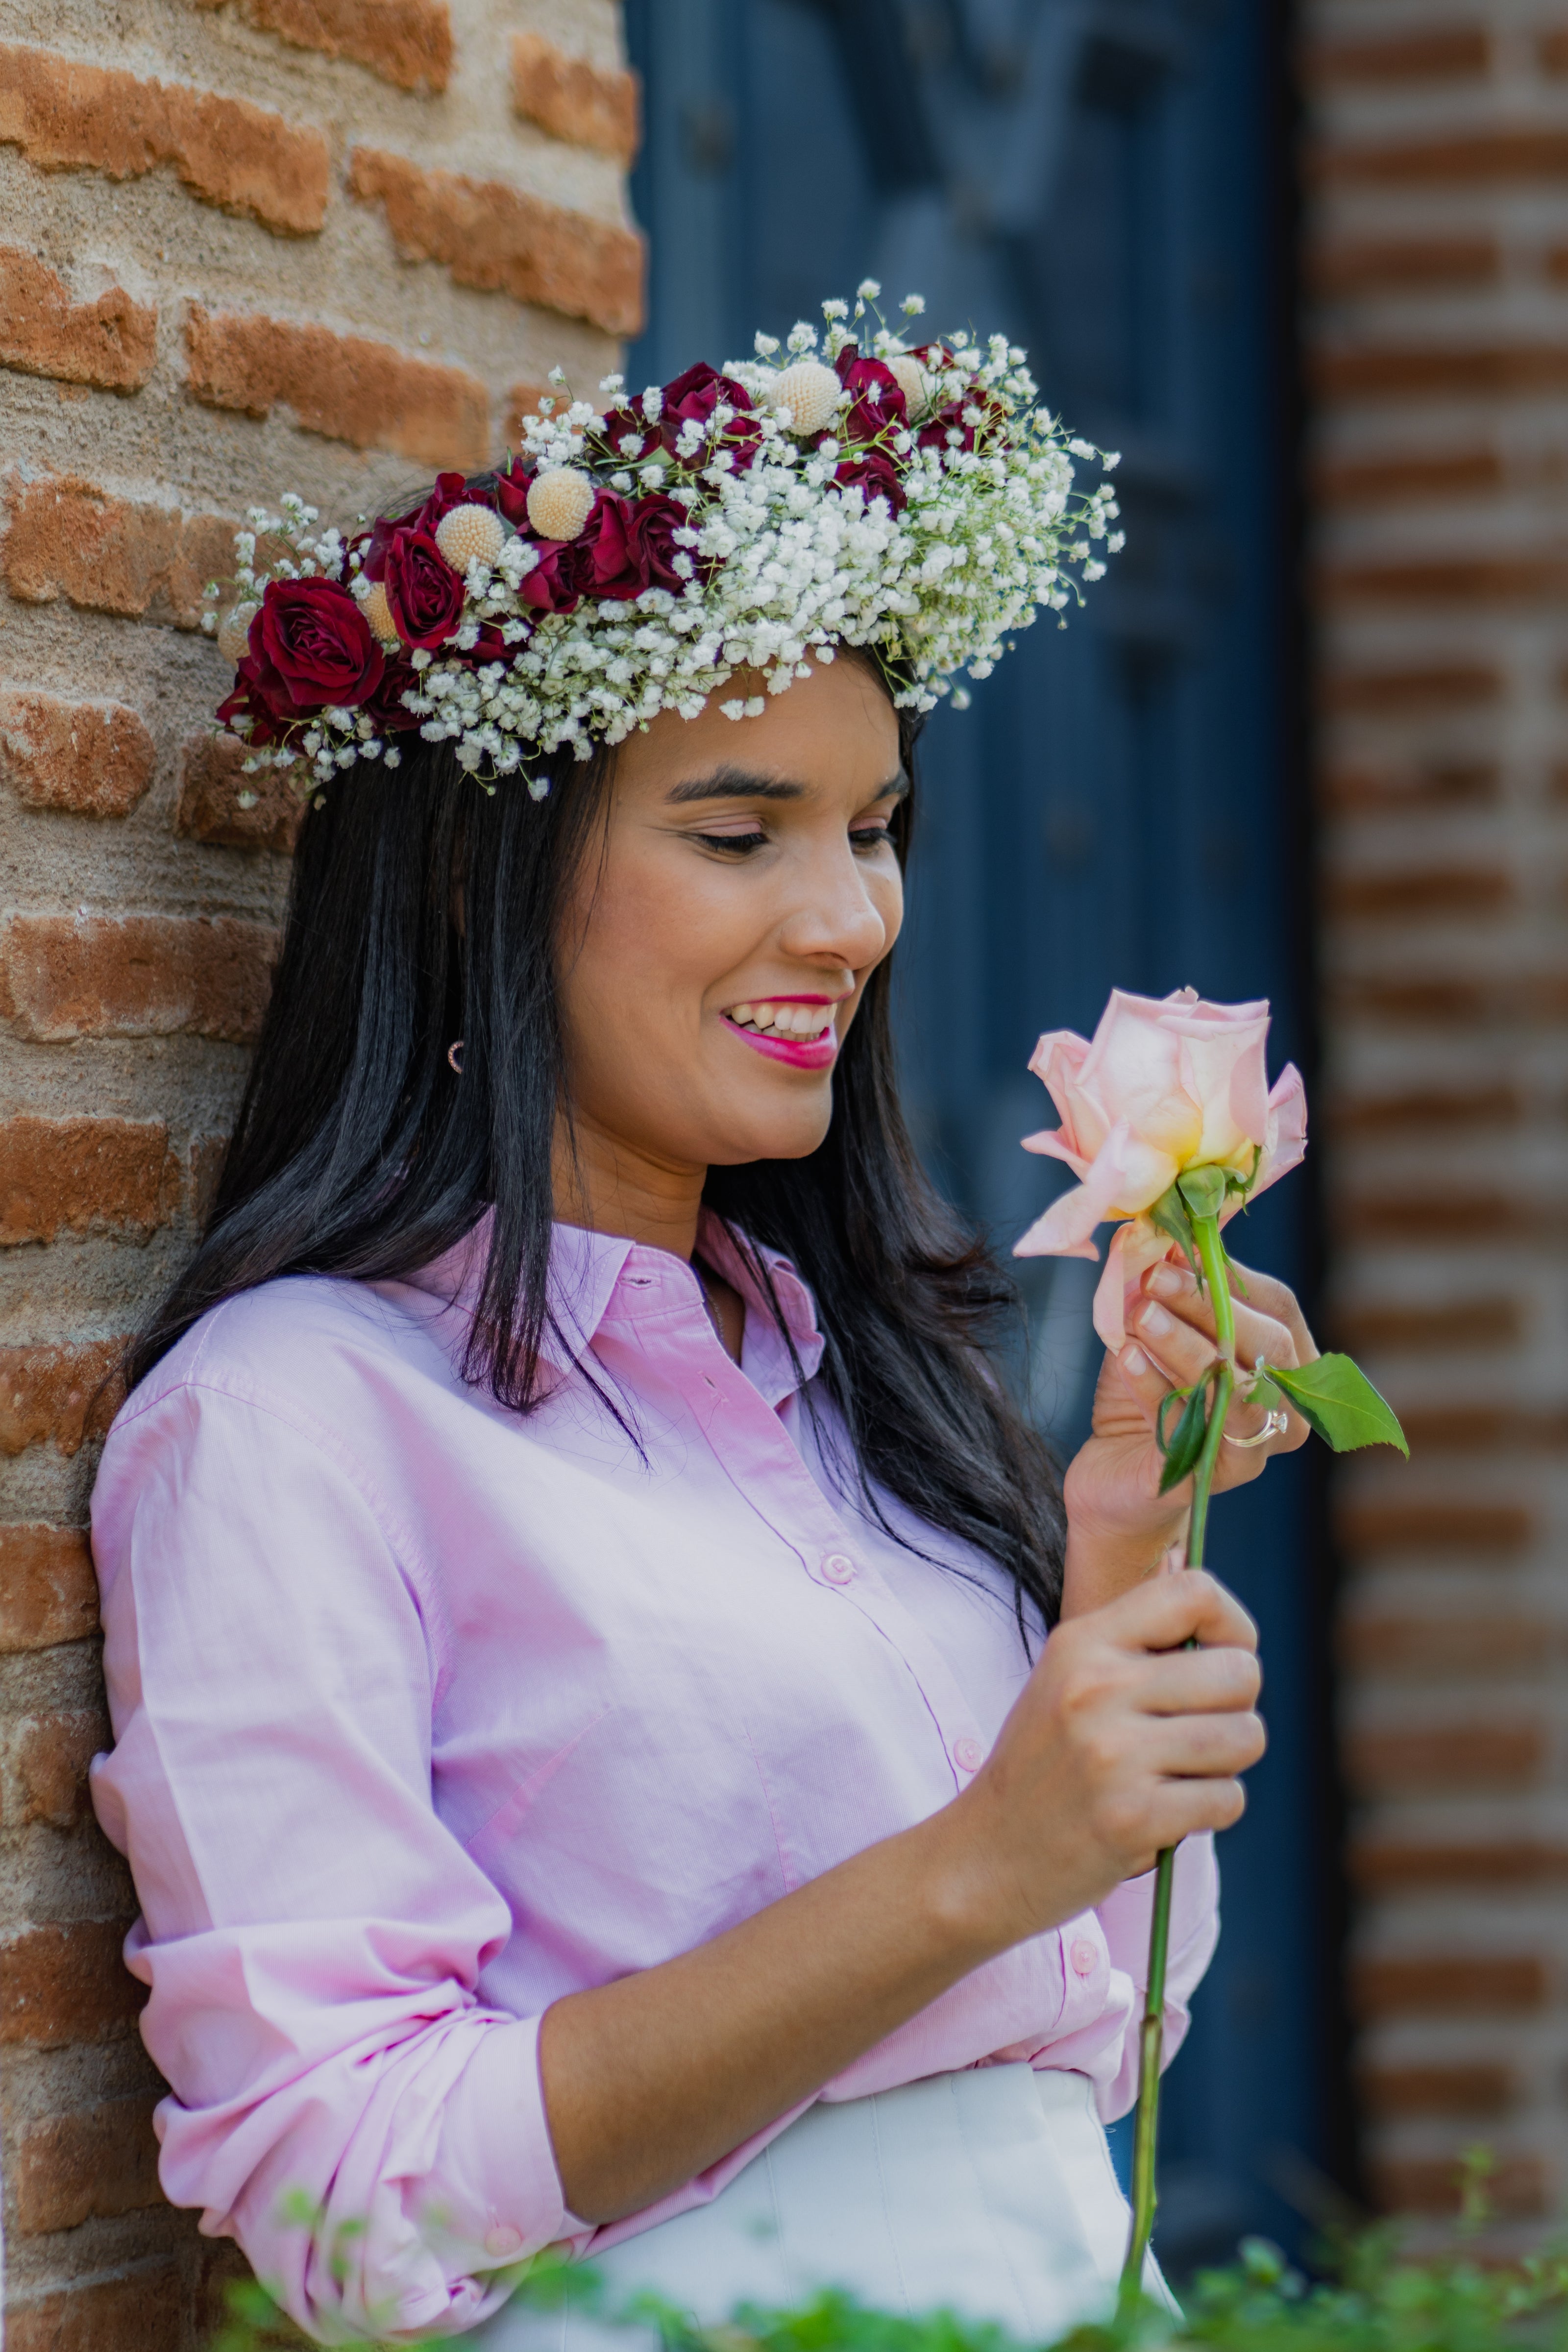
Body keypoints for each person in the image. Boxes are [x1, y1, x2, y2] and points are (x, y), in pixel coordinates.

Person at [89, 300, 1311, 2347]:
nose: (849, 919)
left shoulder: (853, 1383)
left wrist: (1111, 1549)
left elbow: (1090, 2039)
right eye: (740, 836)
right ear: (478, 878)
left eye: (874, 828)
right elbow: (341, 2201)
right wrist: (971, 1864)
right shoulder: (291, 1421)